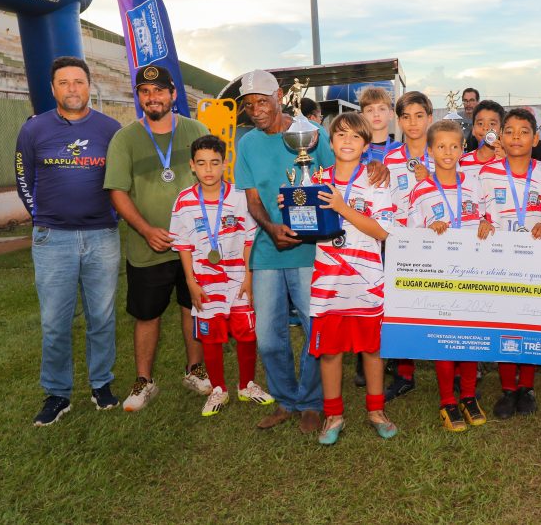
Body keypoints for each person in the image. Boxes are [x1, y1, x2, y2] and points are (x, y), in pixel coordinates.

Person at [15, 56, 122, 426]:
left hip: (102, 236)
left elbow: (121, 182)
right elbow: (23, 179)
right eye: (64, 82)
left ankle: (101, 384)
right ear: (53, 88)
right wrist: (42, 217)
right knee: (55, 322)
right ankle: (58, 394)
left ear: (90, 85)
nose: (72, 88)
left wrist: (114, 217)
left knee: (102, 317)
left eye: (78, 81)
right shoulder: (33, 129)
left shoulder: (110, 129)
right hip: (52, 238)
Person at [105, 64, 212, 411]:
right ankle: (144, 380)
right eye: (145, 92)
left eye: (159, 91)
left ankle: (195, 369)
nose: (153, 98)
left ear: (172, 95)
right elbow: (118, 192)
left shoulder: (196, 130)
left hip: (193, 246)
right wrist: (146, 230)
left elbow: (213, 181)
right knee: (146, 314)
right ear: (139, 97)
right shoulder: (125, 138)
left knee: (192, 307)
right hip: (148, 247)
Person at [235, 69, 334, 432]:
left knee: (314, 329)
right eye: (249, 106)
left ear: (279, 96)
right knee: (268, 334)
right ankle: (284, 398)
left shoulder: (311, 133)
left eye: (262, 101)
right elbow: (253, 199)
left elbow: (336, 177)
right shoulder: (247, 144)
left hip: (311, 250)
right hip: (268, 250)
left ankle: (309, 401)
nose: (256, 111)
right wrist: (272, 229)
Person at [309, 113, 398, 445]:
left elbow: (382, 230)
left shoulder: (376, 180)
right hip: (327, 279)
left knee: (371, 350)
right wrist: (294, 209)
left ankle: (376, 410)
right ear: (330, 142)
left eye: (355, 137)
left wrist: (343, 207)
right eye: (341, 135)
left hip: (367, 280)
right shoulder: (315, 178)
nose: (347, 141)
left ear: (365, 145)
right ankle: (333, 416)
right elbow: (306, 228)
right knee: (330, 352)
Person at [170, 135, 274, 417]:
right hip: (204, 282)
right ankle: (218, 389)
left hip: (238, 279)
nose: (208, 170)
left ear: (225, 164)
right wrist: (191, 282)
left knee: (246, 333)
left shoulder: (239, 197)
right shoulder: (184, 202)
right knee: (212, 337)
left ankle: (246, 384)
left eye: (215, 163)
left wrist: (249, 276)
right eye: (202, 163)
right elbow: (183, 246)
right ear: (192, 165)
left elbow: (249, 240)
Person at [476, 108, 541, 419]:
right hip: (500, 261)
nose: (516, 137)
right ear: (500, 137)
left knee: (531, 319)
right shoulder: (485, 175)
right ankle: (509, 387)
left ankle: (528, 386)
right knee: (505, 321)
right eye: (509, 131)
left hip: (537, 260)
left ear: (536, 138)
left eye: (524, 132)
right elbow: (478, 214)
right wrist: (482, 223)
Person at [407, 120, 486, 431]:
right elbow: (410, 234)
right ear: (429, 151)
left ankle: (467, 395)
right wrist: (429, 231)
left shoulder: (474, 183)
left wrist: (486, 224)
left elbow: (485, 216)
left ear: (463, 148)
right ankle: (446, 401)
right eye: (441, 146)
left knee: (470, 337)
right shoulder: (421, 190)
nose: (448, 152)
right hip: (440, 276)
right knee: (445, 341)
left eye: (454, 146)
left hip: (474, 274)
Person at [382, 91, 434, 400]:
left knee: (441, 304)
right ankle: (404, 373)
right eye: (405, 117)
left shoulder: (442, 152)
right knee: (401, 306)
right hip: (400, 242)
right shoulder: (389, 159)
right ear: (399, 121)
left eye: (418, 115)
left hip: (438, 239)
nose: (412, 122)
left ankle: (451, 369)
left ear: (430, 117)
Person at [459, 99, 505, 180]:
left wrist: (507, 162)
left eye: (492, 124)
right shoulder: (461, 162)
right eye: (480, 123)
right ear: (473, 129)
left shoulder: (508, 161)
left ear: (501, 130)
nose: (486, 128)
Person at [359, 86, 399, 164]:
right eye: (370, 110)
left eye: (381, 109)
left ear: (391, 114)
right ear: (362, 117)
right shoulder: (355, 150)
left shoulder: (402, 150)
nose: (376, 114)